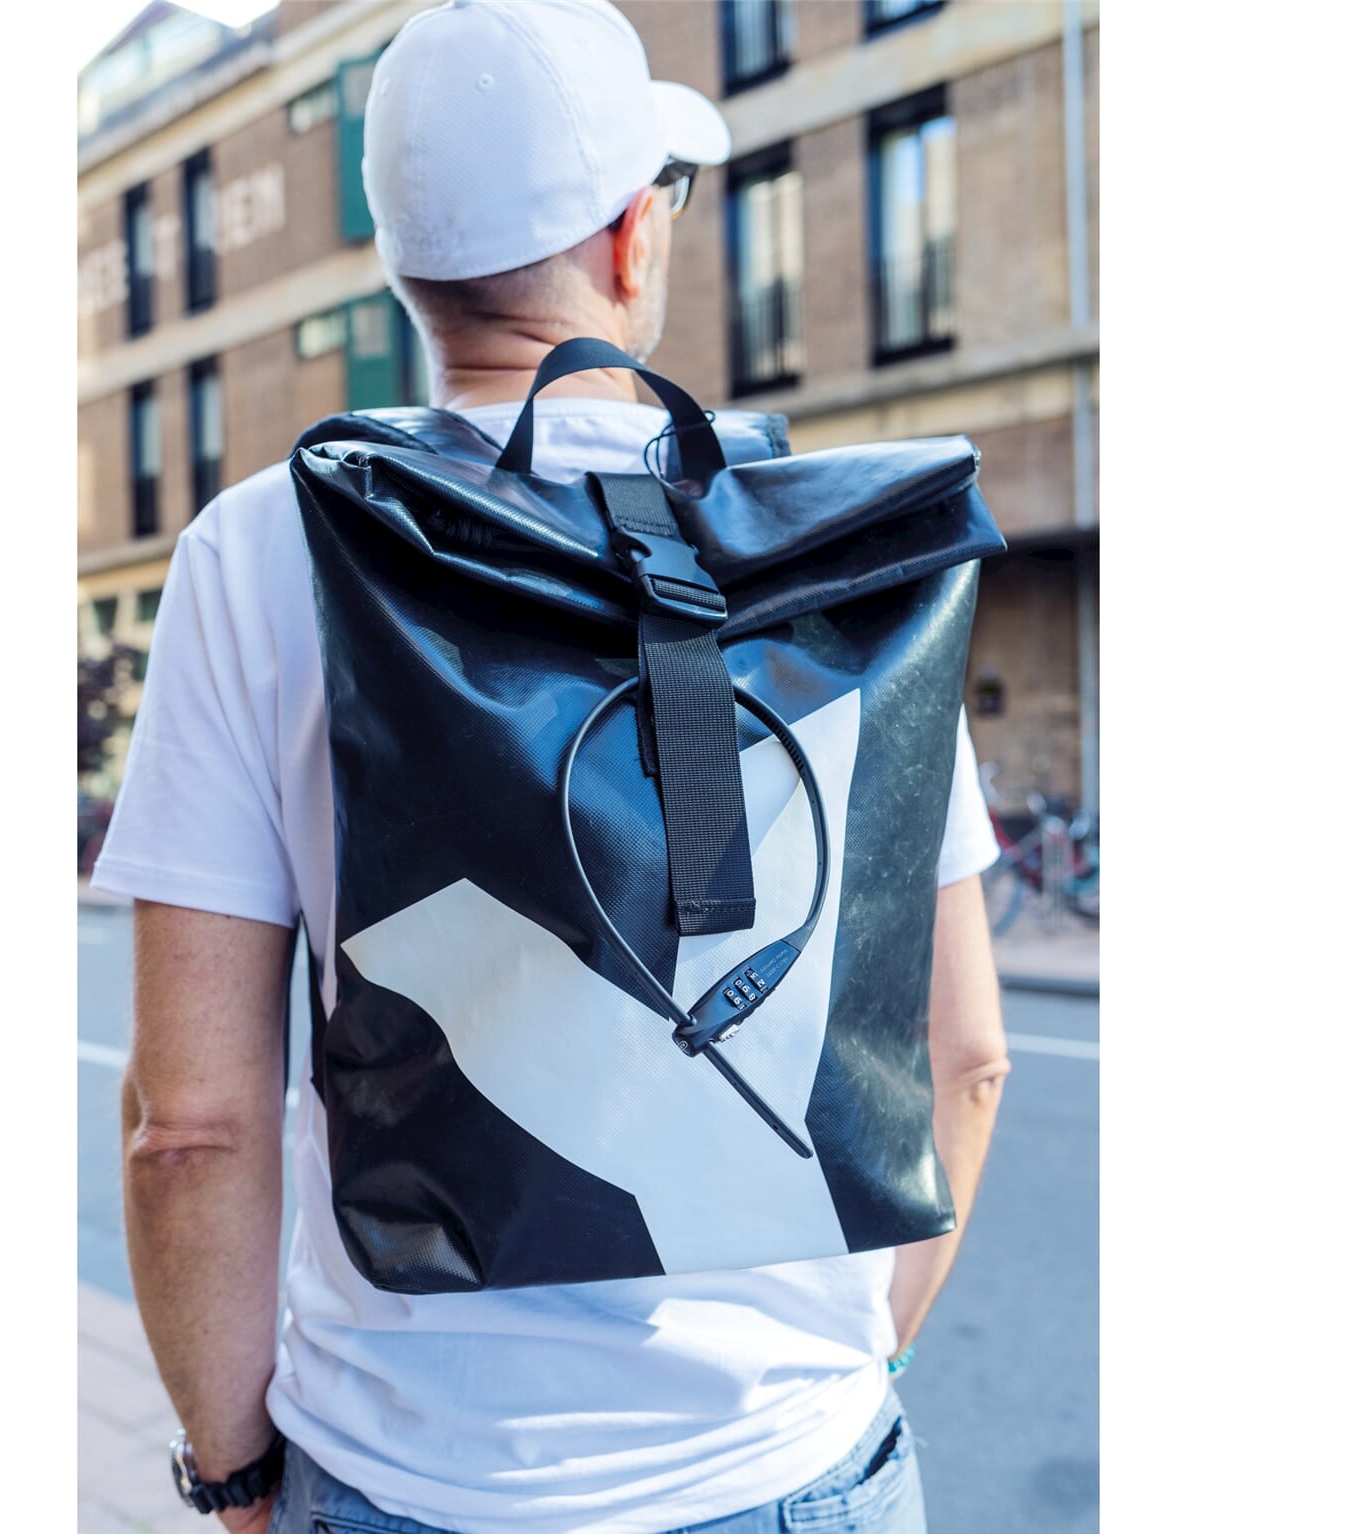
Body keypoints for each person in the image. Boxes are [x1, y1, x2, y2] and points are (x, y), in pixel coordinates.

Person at [91, 3, 1012, 1532]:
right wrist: (863, 1359)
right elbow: (963, 1051)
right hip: (796, 1465)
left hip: (406, 1474)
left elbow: (191, 1122)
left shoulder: (264, 549)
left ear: (401, 267)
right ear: (634, 237)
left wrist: (234, 1468)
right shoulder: (830, 554)